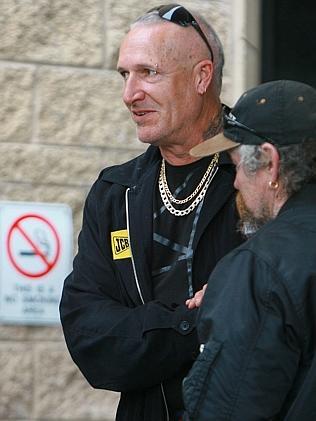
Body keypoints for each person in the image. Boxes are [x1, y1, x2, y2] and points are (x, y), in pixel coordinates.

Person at [59, 4, 242, 421]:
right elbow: (92, 341)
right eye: (125, 75)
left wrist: (144, 330)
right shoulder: (114, 192)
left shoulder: (263, 171)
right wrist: (191, 323)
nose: (129, 94)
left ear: (202, 76)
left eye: (149, 72)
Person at [183, 80, 316, 420]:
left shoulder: (259, 267)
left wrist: (242, 293)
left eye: (237, 163)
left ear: (270, 164)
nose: (236, 181)